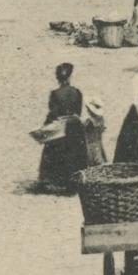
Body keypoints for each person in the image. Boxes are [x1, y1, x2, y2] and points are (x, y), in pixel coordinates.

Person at [37, 63, 88, 193]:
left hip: (60, 129)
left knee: (53, 153)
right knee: (75, 154)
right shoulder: (77, 92)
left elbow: (53, 113)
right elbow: (78, 112)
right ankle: (74, 182)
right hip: (74, 128)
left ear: (57, 78)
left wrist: (45, 127)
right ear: (70, 77)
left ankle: (54, 180)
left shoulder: (55, 94)